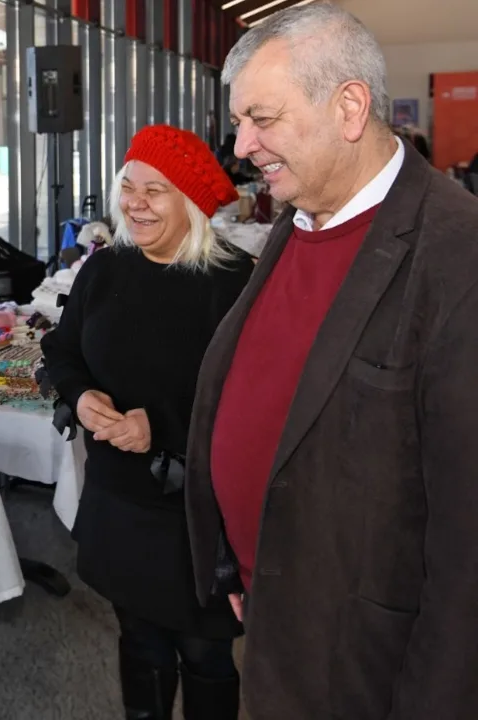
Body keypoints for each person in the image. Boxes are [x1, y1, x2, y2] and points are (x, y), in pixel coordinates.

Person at [184, 5, 478, 718]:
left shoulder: (457, 255)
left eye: (263, 119)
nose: (242, 145)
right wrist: (236, 558)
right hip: (274, 620)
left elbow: (467, 544)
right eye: (240, 120)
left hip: (367, 665)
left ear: (349, 108)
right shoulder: (301, 216)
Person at [43, 125, 252, 720]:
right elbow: (62, 349)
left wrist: (159, 429)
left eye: (155, 191)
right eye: (128, 187)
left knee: (204, 651)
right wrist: (81, 395)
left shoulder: (235, 282)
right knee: (138, 637)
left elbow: (257, 407)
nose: (135, 204)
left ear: (190, 202)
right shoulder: (105, 269)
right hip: (119, 498)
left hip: (197, 512)